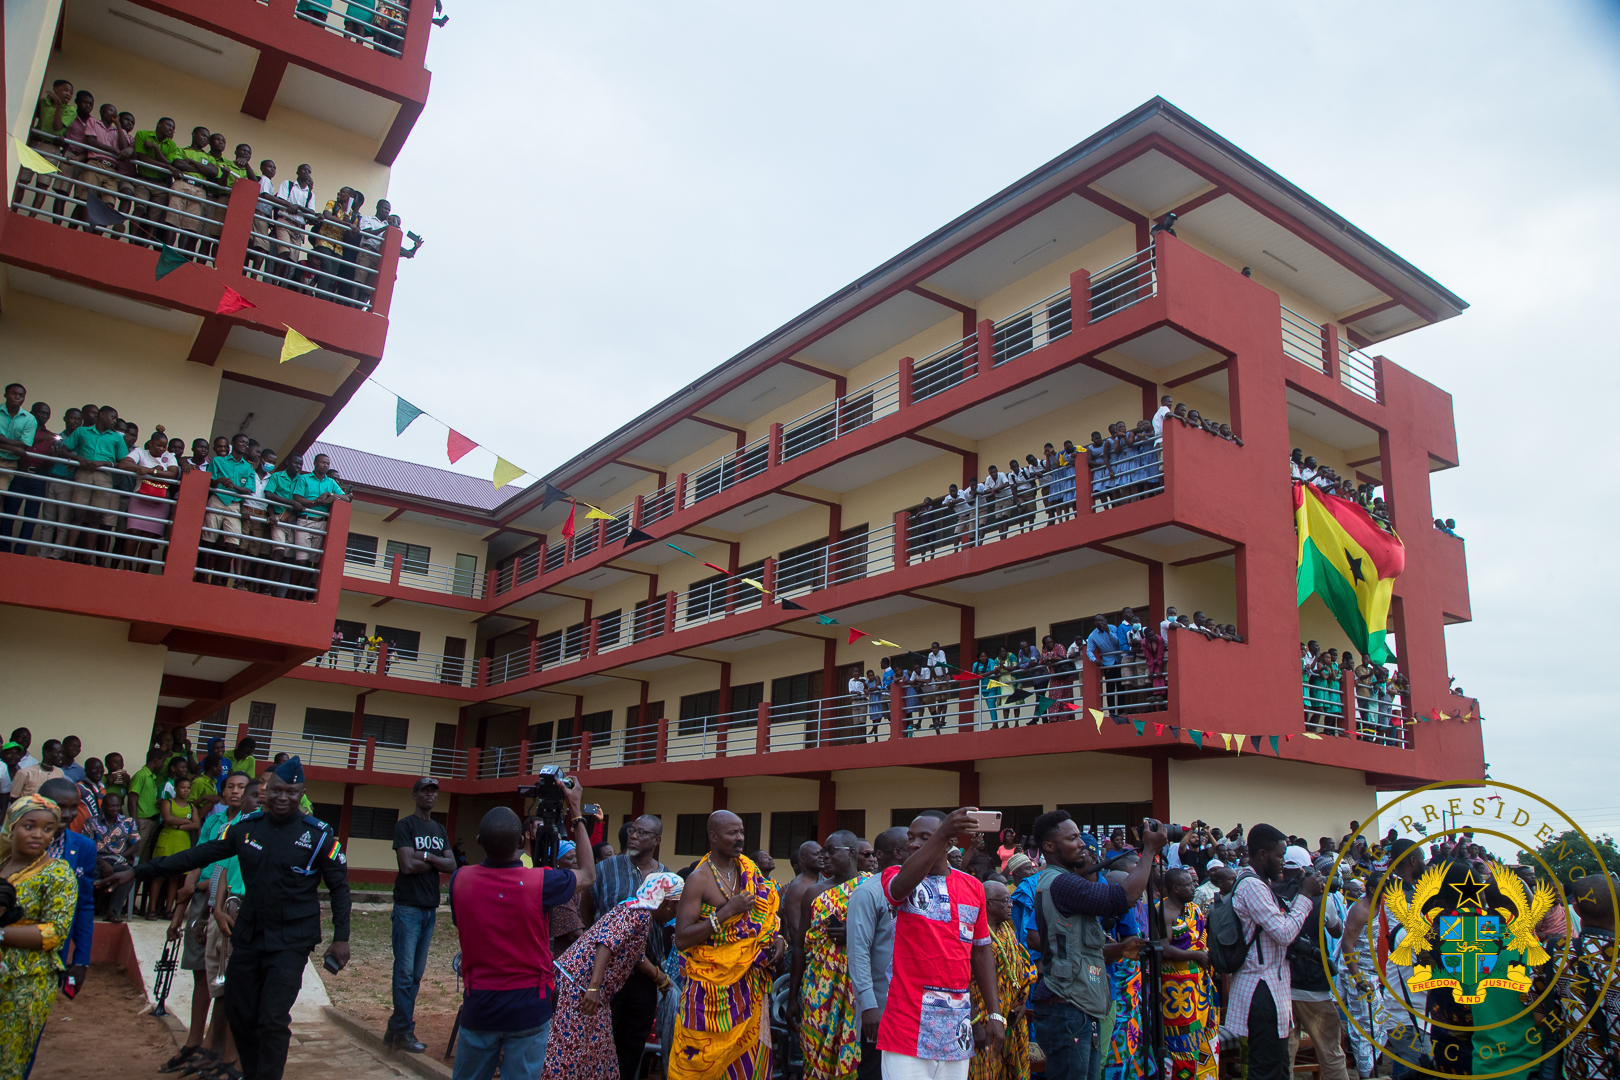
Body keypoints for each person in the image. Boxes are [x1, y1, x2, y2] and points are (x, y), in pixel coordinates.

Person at [106, 756, 352, 1080]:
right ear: (267, 791)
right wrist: (136, 871)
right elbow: (196, 855)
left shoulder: (319, 836)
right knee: (239, 1012)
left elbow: (339, 888)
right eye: (277, 790)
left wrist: (341, 938)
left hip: (291, 940)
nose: (282, 797)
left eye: (291, 793)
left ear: (301, 793)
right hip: (248, 935)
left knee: (272, 1018)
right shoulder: (246, 830)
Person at [447, 790, 596, 1080]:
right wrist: (576, 810)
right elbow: (588, 874)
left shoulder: (459, 880)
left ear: (479, 842)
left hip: (480, 1004)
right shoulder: (541, 882)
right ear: (520, 842)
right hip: (529, 1005)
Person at [1027, 811, 1164, 1080]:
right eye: (1073, 838)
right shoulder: (1061, 882)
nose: (1081, 843)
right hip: (1067, 1007)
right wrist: (1149, 851)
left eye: (1080, 836)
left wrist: (1119, 950)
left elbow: (1077, 947)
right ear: (1049, 846)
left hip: (1076, 1005)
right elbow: (1124, 897)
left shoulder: (1059, 881)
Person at [878, 808, 1002, 1079]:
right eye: (911, 837)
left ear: (951, 843)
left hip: (957, 1030)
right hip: (906, 1026)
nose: (914, 843)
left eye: (925, 836)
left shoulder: (973, 887)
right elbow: (899, 889)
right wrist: (943, 831)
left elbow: (981, 952)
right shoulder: (895, 876)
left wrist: (995, 1014)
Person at [669, 810, 784, 1080]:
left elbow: (766, 920)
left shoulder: (749, 870)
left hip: (748, 987)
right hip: (708, 993)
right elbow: (682, 938)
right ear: (713, 836)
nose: (740, 838)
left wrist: (778, 939)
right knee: (697, 1064)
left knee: (745, 1064)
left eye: (742, 831)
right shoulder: (699, 879)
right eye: (732, 833)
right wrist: (725, 913)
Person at [540, 872, 684, 1079]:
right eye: (678, 905)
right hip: (580, 989)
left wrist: (659, 978)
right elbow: (606, 943)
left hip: (589, 989)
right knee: (572, 1053)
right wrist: (594, 987)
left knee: (597, 1053)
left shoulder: (635, 909)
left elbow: (634, 956)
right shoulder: (639, 914)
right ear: (669, 903)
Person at [159, 771, 250, 1080]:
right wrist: (179, 911)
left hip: (224, 901)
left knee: (223, 981)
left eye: (242, 787)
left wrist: (203, 892)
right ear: (222, 791)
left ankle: (216, 1048)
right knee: (202, 973)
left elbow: (228, 870)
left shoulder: (249, 827)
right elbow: (197, 861)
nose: (236, 792)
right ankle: (195, 1042)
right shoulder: (215, 821)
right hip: (204, 900)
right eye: (231, 786)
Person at [1227, 825, 1322, 1080]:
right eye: (1279, 856)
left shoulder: (1260, 884)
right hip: (1261, 989)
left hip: (1271, 988)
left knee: (1278, 1068)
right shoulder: (1252, 887)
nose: (1283, 862)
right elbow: (1283, 933)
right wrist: (1305, 895)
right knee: (1266, 1070)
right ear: (1261, 854)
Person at [0, 794, 77, 1080]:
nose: (38, 835)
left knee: (8, 1058)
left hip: (25, 979)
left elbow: (54, 932)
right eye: (29, 826)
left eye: (47, 829)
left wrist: (1, 934)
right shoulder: (1, 865)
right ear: (11, 826)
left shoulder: (57, 873)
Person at [590, 813, 669, 1079]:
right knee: (601, 1040)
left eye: (642, 832)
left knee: (632, 1043)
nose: (633, 835)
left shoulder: (666, 878)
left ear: (656, 840)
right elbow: (588, 911)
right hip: (607, 972)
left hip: (645, 978)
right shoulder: (605, 869)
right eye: (633, 830)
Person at [388, 777, 456, 1051]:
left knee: (416, 974)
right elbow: (406, 864)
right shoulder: (405, 825)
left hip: (430, 908)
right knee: (404, 973)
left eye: (433, 792)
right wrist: (434, 860)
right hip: (407, 907)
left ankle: (395, 1026)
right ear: (414, 795)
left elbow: (451, 865)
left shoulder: (439, 828)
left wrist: (425, 856)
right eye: (425, 791)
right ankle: (403, 1030)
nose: (430, 795)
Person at [791, 829, 864, 1080]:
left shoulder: (870, 888)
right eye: (823, 851)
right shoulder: (814, 893)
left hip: (858, 990)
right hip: (817, 988)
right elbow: (799, 946)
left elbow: (889, 939)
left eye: (831, 851)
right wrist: (793, 997)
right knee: (814, 1054)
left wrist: (854, 934)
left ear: (851, 853)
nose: (824, 856)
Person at [849, 827, 908, 1080]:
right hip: (881, 1008)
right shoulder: (868, 893)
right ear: (897, 852)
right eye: (913, 844)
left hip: (913, 1008)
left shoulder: (920, 890)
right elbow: (858, 951)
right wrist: (869, 1005)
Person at [971, 879, 1036, 1080]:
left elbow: (1025, 970)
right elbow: (961, 981)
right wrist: (975, 1023)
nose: (1011, 905)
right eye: (1005, 901)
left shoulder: (1008, 932)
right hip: (983, 1022)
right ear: (988, 903)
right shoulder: (973, 935)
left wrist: (1022, 1003)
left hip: (1012, 1022)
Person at [1156, 867, 1217, 1080]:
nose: (1194, 888)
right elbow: (1162, 949)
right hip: (1176, 990)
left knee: (1202, 1037)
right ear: (1175, 888)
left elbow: (1202, 939)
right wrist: (1196, 956)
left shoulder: (1193, 909)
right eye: (1189, 884)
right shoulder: (1162, 911)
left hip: (1199, 985)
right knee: (1181, 1040)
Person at [37, 778, 96, 995]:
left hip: (54, 951)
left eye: (74, 807)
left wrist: (81, 960)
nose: (68, 814)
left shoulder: (84, 848)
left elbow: (84, 906)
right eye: (61, 806)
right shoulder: (12, 841)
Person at [88, 790, 139, 920]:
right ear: (103, 807)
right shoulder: (92, 822)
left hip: (118, 861)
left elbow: (135, 845)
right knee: (84, 873)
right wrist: (103, 863)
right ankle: (85, 909)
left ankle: (112, 911)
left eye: (117, 806)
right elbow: (86, 848)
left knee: (129, 873)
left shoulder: (128, 821)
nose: (115, 809)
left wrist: (120, 856)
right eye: (111, 806)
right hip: (97, 860)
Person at [153, 775, 200, 917]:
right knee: (158, 875)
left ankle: (168, 910)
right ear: (176, 789)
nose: (186, 791)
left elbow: (197, 824)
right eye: (183, 787)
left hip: (182, 843)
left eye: (188, 788)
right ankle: (152, 909)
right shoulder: (168, 802)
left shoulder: (191, 806)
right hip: (166, 842)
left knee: (175, 877)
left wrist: (178, 825)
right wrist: (187, 821)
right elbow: (167, 818)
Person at [782, 839, 824, 945]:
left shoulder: (824, 880)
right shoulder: (797, 887)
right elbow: (795, 929)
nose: (821, 857)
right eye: (816, 854)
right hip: (806, 949)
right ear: (804, 859)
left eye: (822, 853)